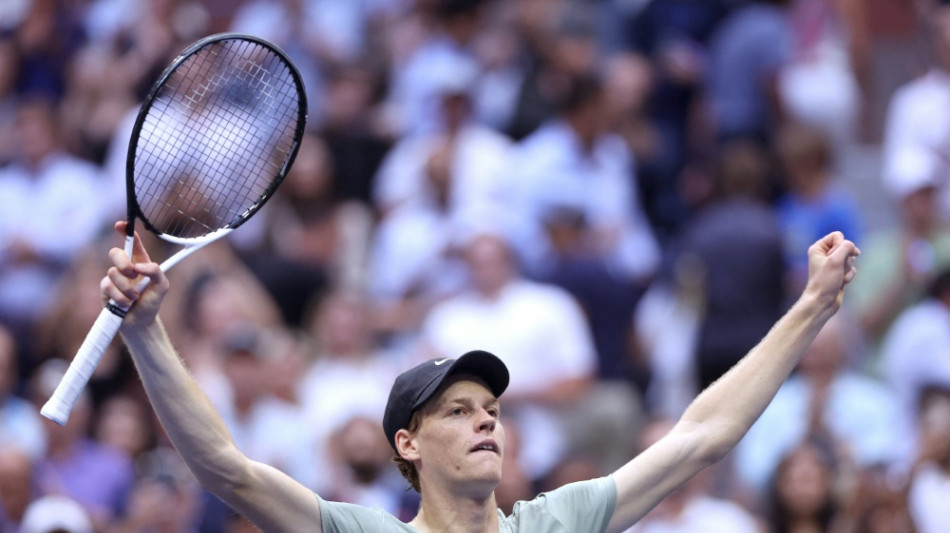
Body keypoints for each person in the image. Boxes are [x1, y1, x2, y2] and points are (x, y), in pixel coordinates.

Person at [98, 219, 858, 532]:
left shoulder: (556, 521)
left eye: (489, 405)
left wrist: (811, 308)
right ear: (408, 442)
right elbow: (227, 470)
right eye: (457, 411)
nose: (487, 418)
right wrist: (145, 330)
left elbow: (701, 435)